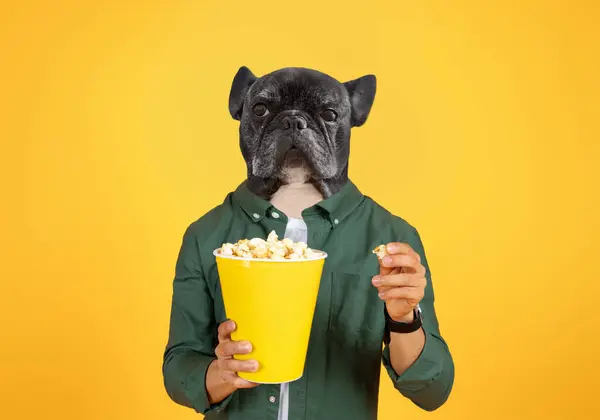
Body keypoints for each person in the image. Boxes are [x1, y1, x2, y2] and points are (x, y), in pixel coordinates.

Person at [162, 66, 454, 419]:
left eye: (327, 115)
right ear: (238, 108)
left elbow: (433, 390)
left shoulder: (389, 237)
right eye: (263, 112)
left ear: (355, 115)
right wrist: (219, 374)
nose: (293, 126)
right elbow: (179, 368)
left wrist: (404, 318)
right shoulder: (207, 234)